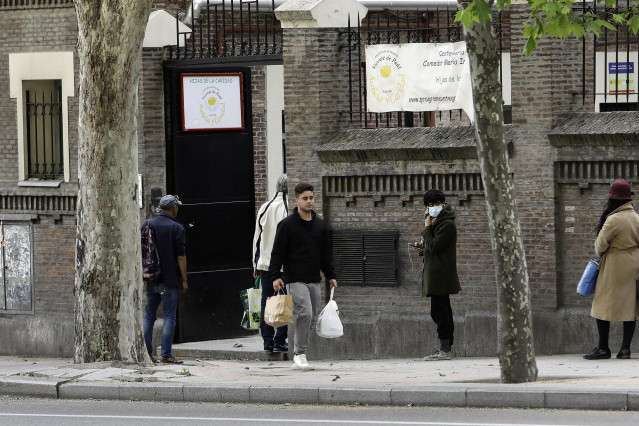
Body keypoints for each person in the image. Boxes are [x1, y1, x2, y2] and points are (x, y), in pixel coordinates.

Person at [268, 182, 338, 370]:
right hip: (294, 278)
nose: (309, 201)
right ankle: (299, 354)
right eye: (305, 198)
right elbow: (277, 252)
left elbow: (325, 253)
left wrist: (331, 275)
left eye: (311, 198)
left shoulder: (320, 225)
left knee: (311, 316)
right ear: (297, 200)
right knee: (305, 313)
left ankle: (300, 352)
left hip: (314, 278)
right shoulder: (287, 225)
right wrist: (275, 276)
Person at [584, 179, 639, 360]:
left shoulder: (613, 219)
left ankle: (603, 348)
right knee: (630, 306)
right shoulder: (636, 217)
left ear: (614, 200)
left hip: (613, 263)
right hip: (633, 264)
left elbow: (599, 246)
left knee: (602, 303)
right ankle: (625, 349)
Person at [413, 189, 461, 361]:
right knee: (442, 310)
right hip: (436, 272)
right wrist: (422, 247)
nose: (433, 207)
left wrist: (426, 228)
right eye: (430, 205)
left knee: (439, 312)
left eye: (437, 204)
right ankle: (445, 348)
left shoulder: (446, 224)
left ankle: (444, 350)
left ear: (443, 203)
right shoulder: (437, 222)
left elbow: (434, 246)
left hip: (441, 274)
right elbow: (432, 247)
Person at [142, 194, 188, 364]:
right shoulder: (177, 228)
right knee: (169, 316)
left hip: (152, 278)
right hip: (169, 280)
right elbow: (181, 257)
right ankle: (166, 355)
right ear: (174, 207)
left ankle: (147, 353)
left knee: (149, 315)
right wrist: (184, 279)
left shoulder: (148, 224)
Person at [252, 174, 289, 353]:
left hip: (265, 263)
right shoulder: (289, 209)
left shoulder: (265, 207)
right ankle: (279, 340)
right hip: (282, 265)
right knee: (283, 302)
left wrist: (255, 262)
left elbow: (256, 238)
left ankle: (267, 341)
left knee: (266, 301)